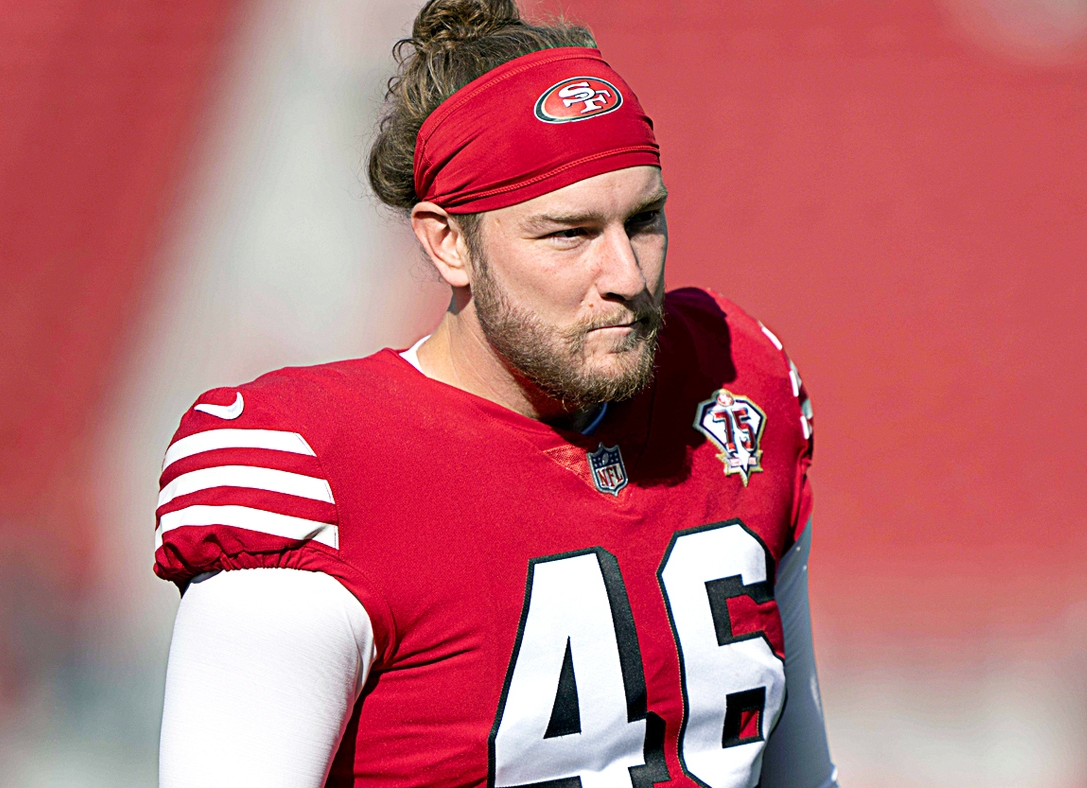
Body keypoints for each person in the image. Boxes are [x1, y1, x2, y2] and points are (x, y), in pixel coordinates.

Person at [153, 1, 838, 786]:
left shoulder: (730, 382)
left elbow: (802, 772)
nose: (626, 277)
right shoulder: (318, 471)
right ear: (449, 242)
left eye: (644, 220)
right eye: (569, 234)